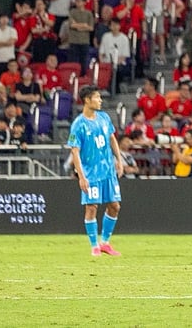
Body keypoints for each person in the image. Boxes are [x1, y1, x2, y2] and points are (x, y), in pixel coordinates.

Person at [66, 86, 125, 257]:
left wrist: (119, 161)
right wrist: (81, 176)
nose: (100, 101)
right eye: (97, 97)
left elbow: (112, 138)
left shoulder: (104, 118)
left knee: (115, 206)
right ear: (87, 100)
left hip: (108, 172)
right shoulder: (78, 124)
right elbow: (74, 151)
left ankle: (105, 243)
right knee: (91, 207)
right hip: (91, 173)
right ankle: (94, 246)